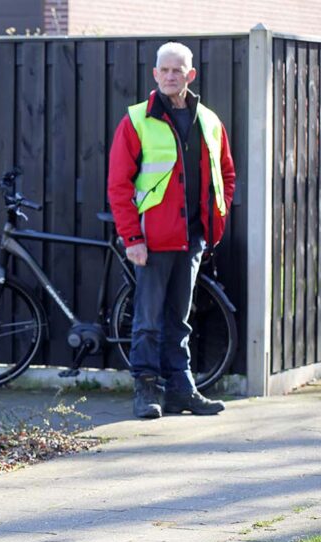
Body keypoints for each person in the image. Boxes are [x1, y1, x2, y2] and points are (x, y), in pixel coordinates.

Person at [107, 42, 236, 419]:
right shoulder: (136, 119)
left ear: (190, 75)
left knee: (180, 318)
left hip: (192, 238)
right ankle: (146, 391)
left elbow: (225, 174)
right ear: (155, 74)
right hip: (151, 239)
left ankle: (182, 389)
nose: (169, 76)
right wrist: (132, 238)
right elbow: (118, 185)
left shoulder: (209, 121)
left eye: (176, 70)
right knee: (147, 320)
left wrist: (216, 221)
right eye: (163, 70)